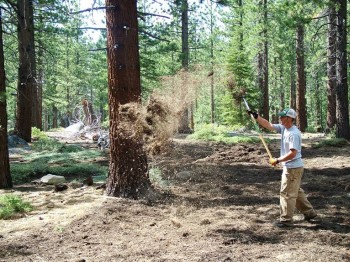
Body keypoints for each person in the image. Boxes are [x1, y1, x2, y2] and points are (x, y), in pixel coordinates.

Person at [248, 108, 317, 228]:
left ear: (289, 118)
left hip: (293, 168)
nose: (280, 118)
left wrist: (277, 160)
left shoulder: (293, 134)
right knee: (295, 191)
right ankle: (309, 213)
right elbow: (268, 125)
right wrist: (256, 117)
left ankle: (286, 220)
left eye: (283, 117)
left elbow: (293, 153)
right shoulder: (284, 128)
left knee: (286, 193)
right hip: (291, 167)